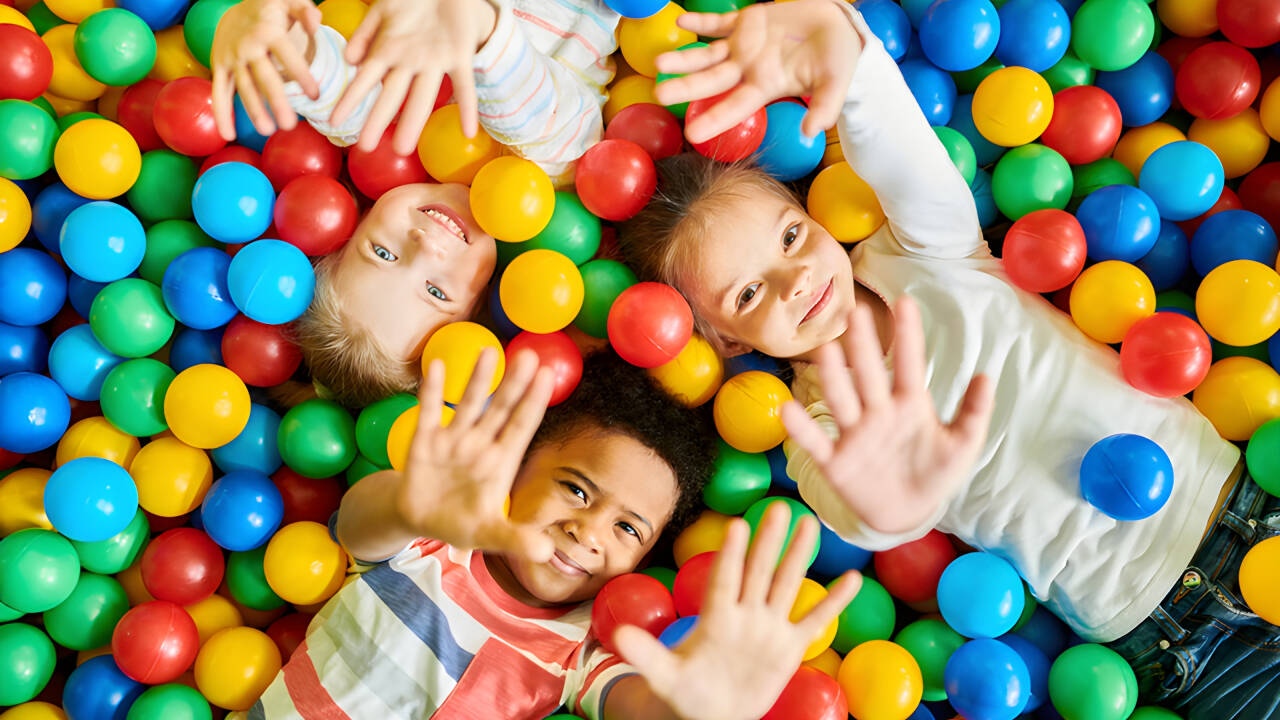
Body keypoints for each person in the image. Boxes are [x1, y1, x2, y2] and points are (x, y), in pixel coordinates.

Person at [616, 0, 1280, 715]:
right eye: (748, 294)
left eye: (789, 238)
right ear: (728, 342)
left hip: (1246, 503)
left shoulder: (923, 257)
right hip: (1163, 635)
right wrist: (893, 505)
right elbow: (867, 514)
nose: (796, 279)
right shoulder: (815, 429)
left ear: (812, 215)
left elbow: (899, 150)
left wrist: (848, 52)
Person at [239, 349, 862, 719]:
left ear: (646, 559)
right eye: (577, 489)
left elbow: (637, 705)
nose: (588, 530)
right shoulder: (435, 541)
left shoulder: (581, 646)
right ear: (517, 467)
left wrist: (697, 707)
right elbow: (358, 525)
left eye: (626, 528)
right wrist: (412, 503)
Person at [209, 0, 618, 406]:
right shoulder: (552, 177)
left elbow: (334, 91)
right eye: (436, 292)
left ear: (352, 225)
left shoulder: (390, 131)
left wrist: (272, 39)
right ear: (480, 307)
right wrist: (476, 29)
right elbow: (547, 113)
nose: (425, 246)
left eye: (382, 252)